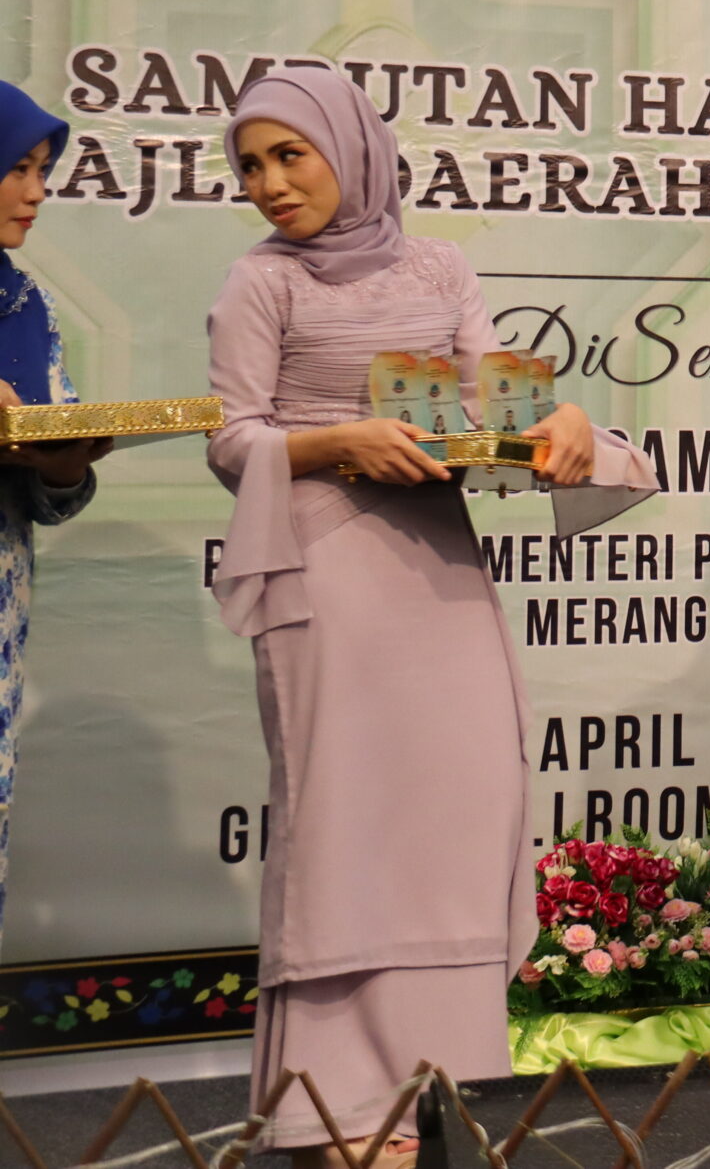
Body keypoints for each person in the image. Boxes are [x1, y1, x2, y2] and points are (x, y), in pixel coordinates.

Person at [206, 70, 653, 1164]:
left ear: (354, 150)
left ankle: (441, 1091)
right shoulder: (260, 281)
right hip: (323, 572)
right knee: (345, 824)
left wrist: (563, 420)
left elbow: (495, 406)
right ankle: (338, 1110)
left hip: (439, 570)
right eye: (251, 164)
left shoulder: (440, 265)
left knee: (462, 812)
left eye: (290, 155)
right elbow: (232, 438)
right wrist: (335, 441)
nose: (270, 183)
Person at [0, 82, 107, 946]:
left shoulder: (26, 306)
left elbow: (53, 486)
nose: (38, 192)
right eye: (18, 168)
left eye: (44, 170)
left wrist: (65, 464)